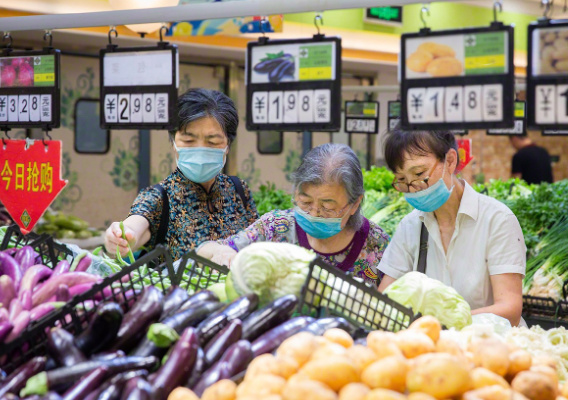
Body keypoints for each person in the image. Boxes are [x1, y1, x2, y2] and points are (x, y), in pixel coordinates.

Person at [376, 128, 526, 326]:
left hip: (489, 347)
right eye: (402, 180)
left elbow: (509, 309)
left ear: (450, 161)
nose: (413, 188)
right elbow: (382, 303)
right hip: (429, 348)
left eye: (419, 174)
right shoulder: (410, 226)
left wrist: (442, 325)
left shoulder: (497, 220)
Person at [197, 143, 390, 287]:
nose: (314, 212)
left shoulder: (376, 244)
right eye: (305, 202)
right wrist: (221, 251)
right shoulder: (275, 228)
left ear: (355, 203)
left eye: (328, 207)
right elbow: (204, 251)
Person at [104, 88, 259, 261]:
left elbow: (257, 238)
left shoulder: (239, 189)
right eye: (188, 141)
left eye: (213, 141)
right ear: (173, 142)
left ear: (228, 145)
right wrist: (122, 236)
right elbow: (137, 226)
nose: (200, 150)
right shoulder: (159, 196)